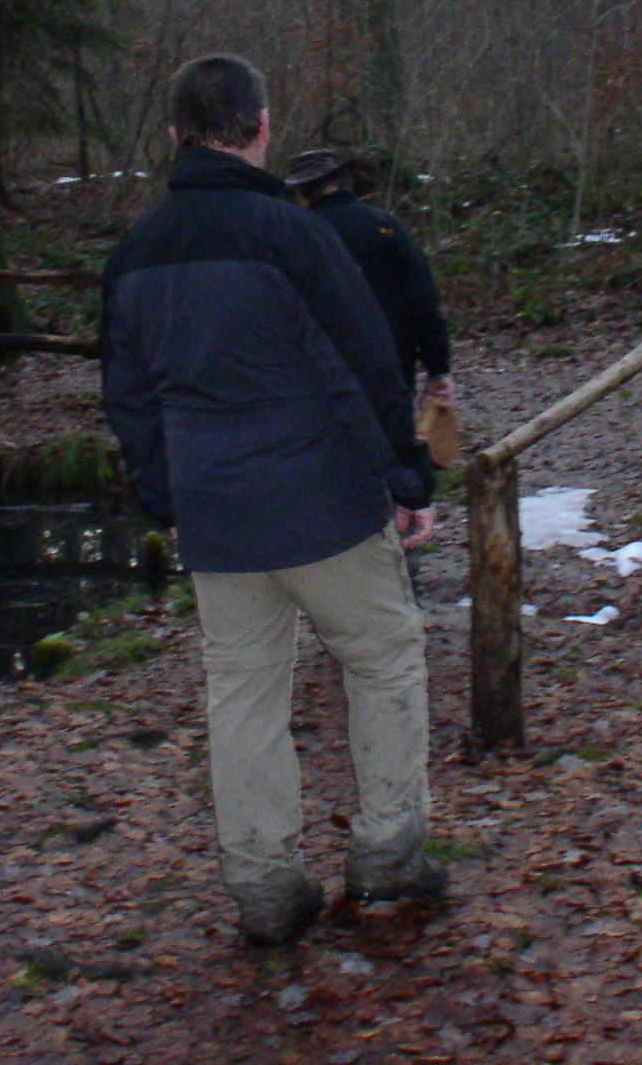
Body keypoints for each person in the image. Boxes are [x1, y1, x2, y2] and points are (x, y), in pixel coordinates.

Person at [98, 55, 447, 946]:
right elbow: (362, 365)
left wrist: (168, 500)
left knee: (243, 690)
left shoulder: (136, 254)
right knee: (384, 659)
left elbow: (130, 401)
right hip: (322, 502)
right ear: (260, 126)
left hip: (217, 513)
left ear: (174, 135)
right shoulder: (292, 237)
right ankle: (388, 853)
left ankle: (262, 881)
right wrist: (408, 477)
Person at [284, 149, 455, 415]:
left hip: (322, 378)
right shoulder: (387, 226)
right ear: (337, 181)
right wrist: (438, 370)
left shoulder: (296, 236)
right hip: (391, 371)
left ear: (301, 191)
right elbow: (424, 304)